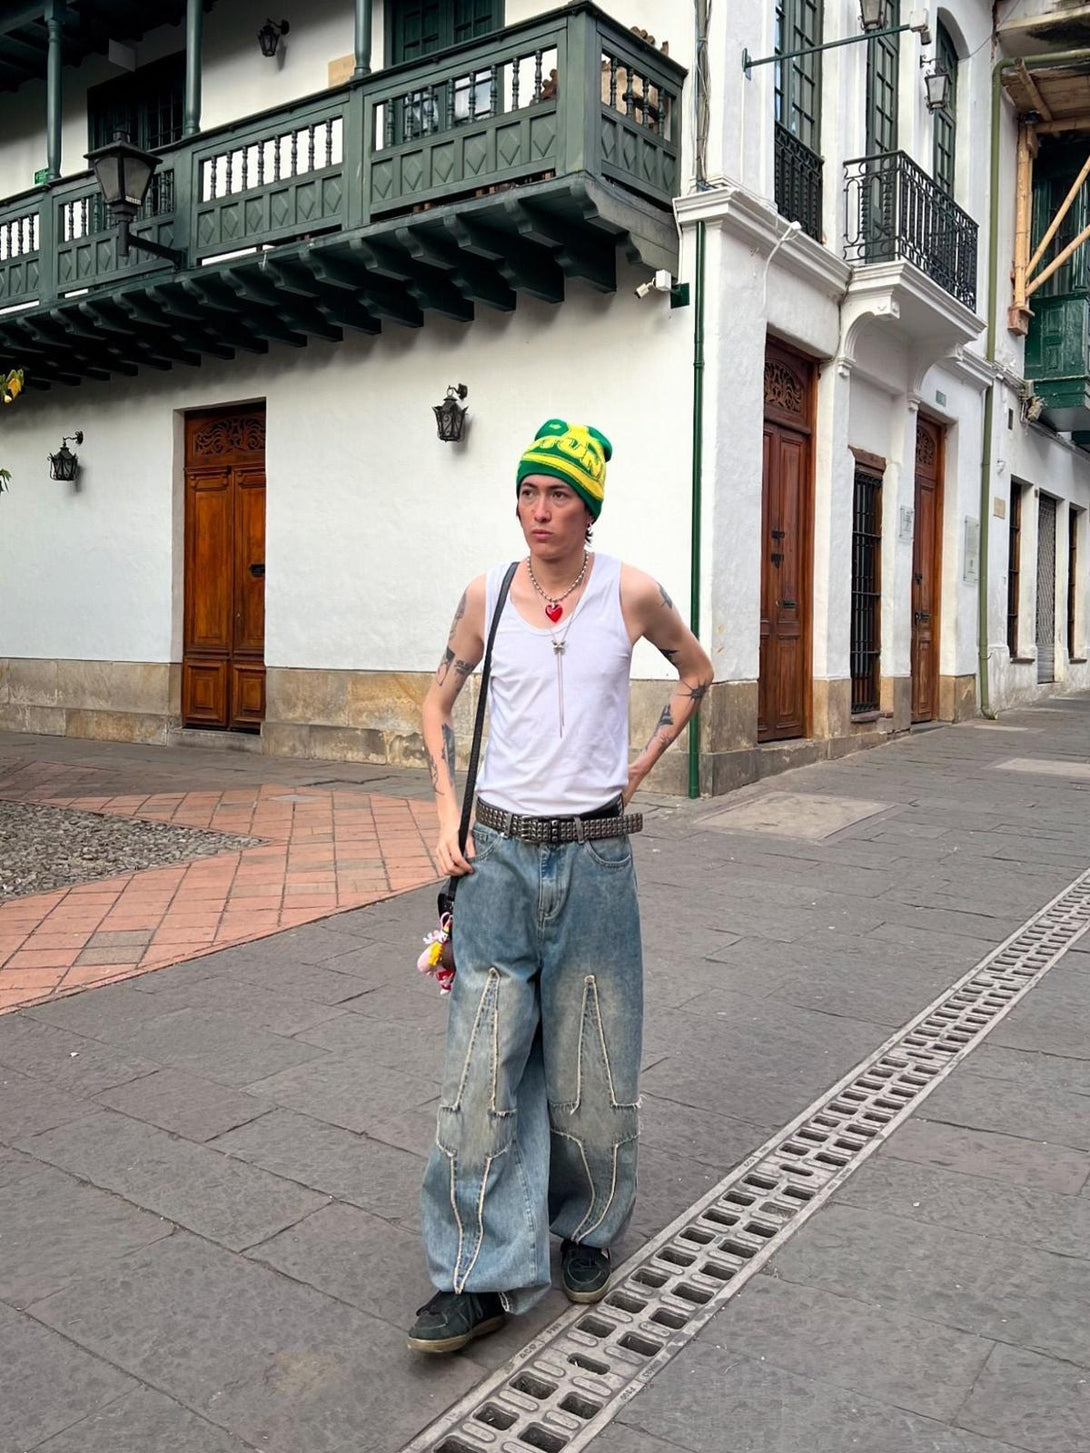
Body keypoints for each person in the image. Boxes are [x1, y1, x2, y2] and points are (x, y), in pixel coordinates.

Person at [409, 419, 713, 1354]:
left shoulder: (631, 592)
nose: (539, 511)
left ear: (589, 510)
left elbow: (696, 671)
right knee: (478, 1068)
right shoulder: (487, 594)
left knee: (594, 1063)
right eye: (529, 492)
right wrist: (447, 808)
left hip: (595, 858)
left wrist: (641, 764)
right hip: (496, 858)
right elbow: (435, 702)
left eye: (560, 496)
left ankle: (585, 1226)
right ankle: (474, 1271)